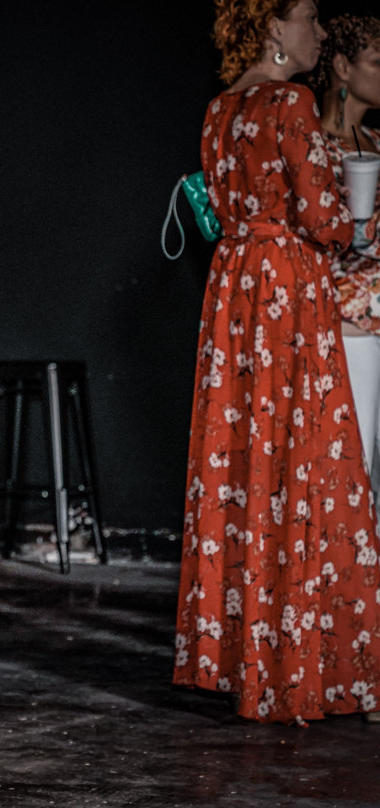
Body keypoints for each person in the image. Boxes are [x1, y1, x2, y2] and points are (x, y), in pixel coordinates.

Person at [174, 0, 380, 725]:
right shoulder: (291, 102)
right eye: (309, 19)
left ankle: (245, 664)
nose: (320, 33)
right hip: (287, 289)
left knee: (247, 468)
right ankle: (301, 668)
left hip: (233, 288)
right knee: (306, 462)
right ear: (271, 26)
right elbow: (324, 218)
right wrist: (356, 213)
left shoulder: (218, 107)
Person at [309, 13, 380, 500]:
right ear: (342, 66)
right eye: (377, 61)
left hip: (375, 321)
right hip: (342, 330)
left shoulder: (379, 145)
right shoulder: (311, 143)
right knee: (348, 474)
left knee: (370, 479)